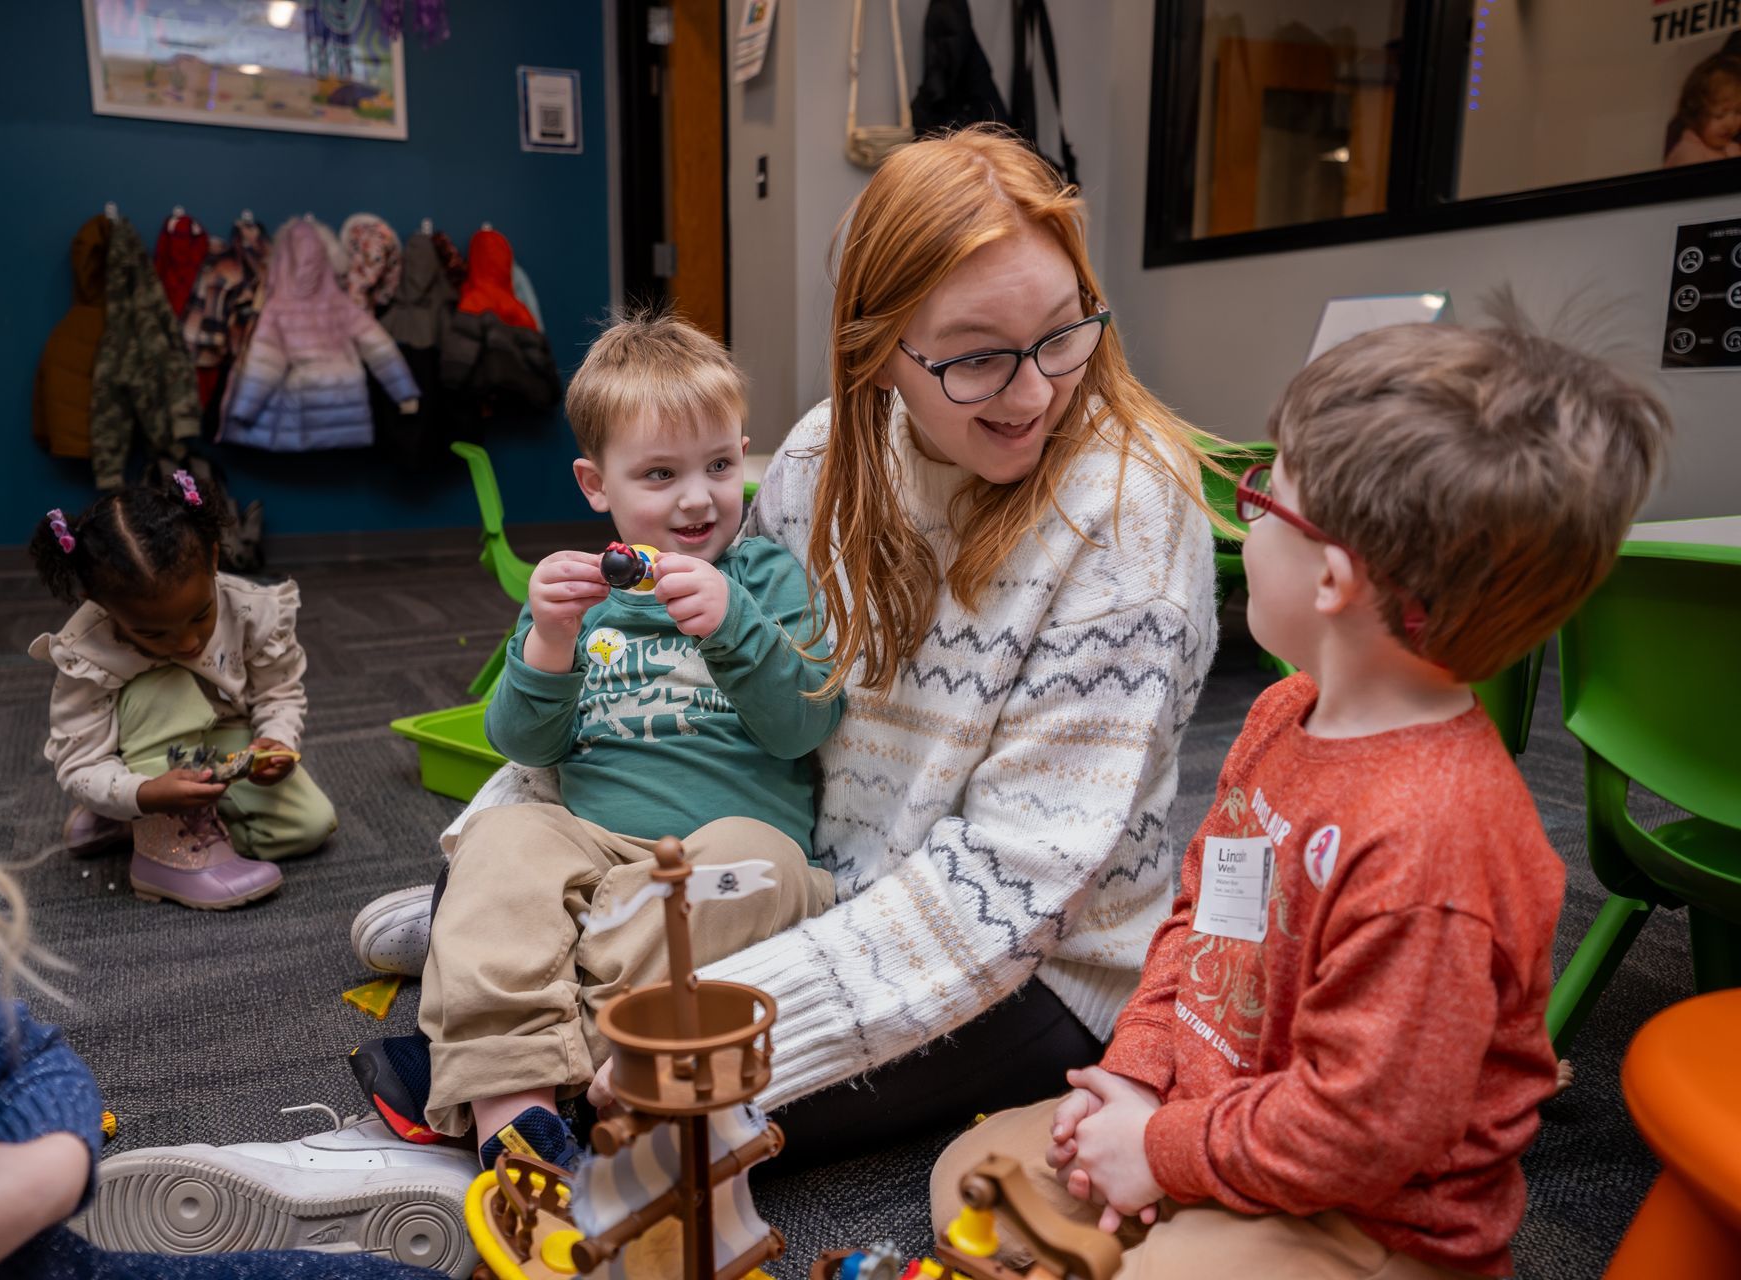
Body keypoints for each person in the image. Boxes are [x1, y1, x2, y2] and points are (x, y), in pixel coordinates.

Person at [352, 125, 1227, 1170]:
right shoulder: (820, 453)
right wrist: (517, 846)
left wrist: (651, 1035)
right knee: (492, 863)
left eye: (1062, 333)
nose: (1037, 391)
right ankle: (520, 967)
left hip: (1007, 958)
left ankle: (502, 1005)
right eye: (977, 357)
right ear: (878, 350)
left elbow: (1011, 889)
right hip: (781, 871)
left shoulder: (1128, 517)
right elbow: (686, 692)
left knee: (649, 1100)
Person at [930, 320, 1670, 1278]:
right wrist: (1135, 1075)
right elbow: (1204, 917)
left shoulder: (1434, 847)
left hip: (1360, 1220)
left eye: (1262, 501)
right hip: (1208, 1123)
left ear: (1332, 577)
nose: (1243, 520)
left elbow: (1356, 1138)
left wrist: (1153, 1153)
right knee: (976, 1172)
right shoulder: (1285, 712)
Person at [373, 311, 840, 1165]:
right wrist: (548, 643)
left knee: (766, 866)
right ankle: (517, 1121)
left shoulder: (767, 577)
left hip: (719, 847)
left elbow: (804, 724)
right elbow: (525, 743)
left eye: (720, 466)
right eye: (659, 474)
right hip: (591, 841)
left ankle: (510, 1051)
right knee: (501, 837)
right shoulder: (581, 597)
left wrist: (736, 626)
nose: (698, 498)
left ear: (745, 455)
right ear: (598, 485)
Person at [0, 677, 467, 1279]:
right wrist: (135, 793)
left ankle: (469, 927)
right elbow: (76, 756)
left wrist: (46, 1169)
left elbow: (16, 1062)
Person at [28, 469, 335, 910]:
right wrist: (145, 794)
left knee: (309, 826)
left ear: (213, 558)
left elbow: (279, 692)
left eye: (199, 616)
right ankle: (161, 846)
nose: (187, 643)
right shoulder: (87, 651)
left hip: (221, 741)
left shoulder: (253, 610)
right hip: (143, 744)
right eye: (154, 634)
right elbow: (79, 763)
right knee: (164, 680)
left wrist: (277, 742)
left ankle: (123, 818)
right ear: (97, 602)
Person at [1663, 52, 1741, 166]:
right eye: (1719, 115)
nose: (1730, 123)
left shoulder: (1732, 148)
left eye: (1739, 112)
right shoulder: (1689, 155)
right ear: (1696, 112)